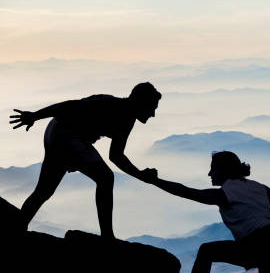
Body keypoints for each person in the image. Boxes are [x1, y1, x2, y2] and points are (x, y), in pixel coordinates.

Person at [9, 82, 161, 239]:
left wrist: (140, 175)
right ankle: (107, 236)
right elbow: (68, 106)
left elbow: (116, 156)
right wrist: (35, 115)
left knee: (44, 191)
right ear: (141, 102)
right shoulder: (109, 104)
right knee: (106, 178)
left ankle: (18, 228)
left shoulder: (126, 118)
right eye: (152, 108)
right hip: (66, 135)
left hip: (57, 133)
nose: (153, 114)